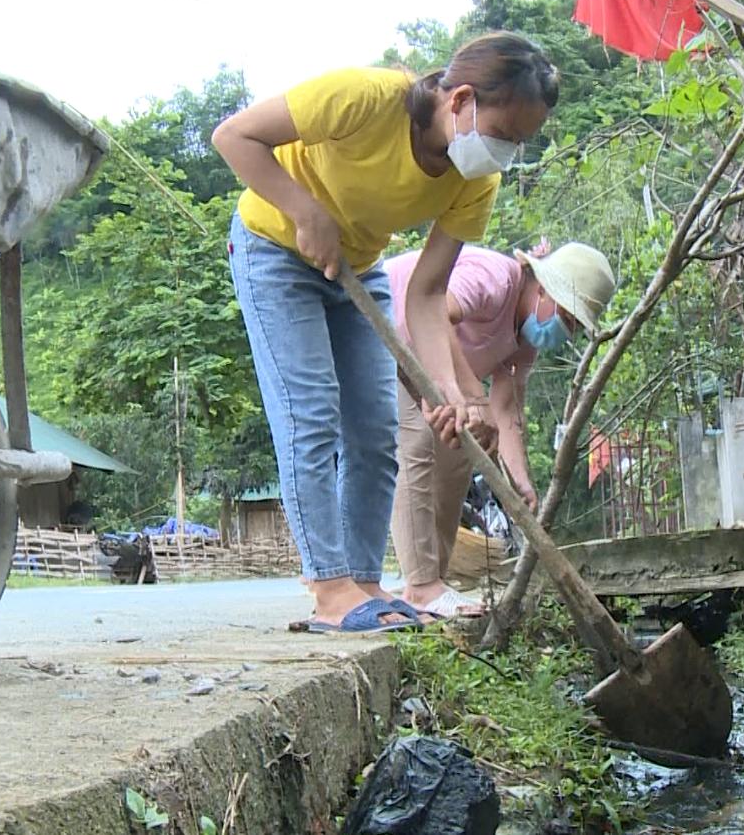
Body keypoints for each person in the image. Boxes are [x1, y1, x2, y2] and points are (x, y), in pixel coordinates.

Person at [212, 33, 559, 633]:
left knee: (374, 431)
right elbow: (233, 137)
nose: (506, 155)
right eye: (505, 135)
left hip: (358, 268)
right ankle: (328, 588)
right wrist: (304, 211)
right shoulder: (366, 99)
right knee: (311, 416)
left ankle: (364, 583)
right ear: (462, 101)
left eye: (519, 145)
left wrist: (448, 391)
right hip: (274, 248)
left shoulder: (475, 179)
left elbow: (426, 293)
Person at [384, 241, 615, 618]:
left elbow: (506, 410)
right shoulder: (495, 277)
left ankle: (431, 581)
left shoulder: (524, 341)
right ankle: (422, 585)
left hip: (431, 369)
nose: (565, 332)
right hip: (390, 332)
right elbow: (435, 313)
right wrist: (473, 396)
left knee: (461, 448)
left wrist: (518, 482)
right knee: (417, 445)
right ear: (544, 291)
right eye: (568, 319)